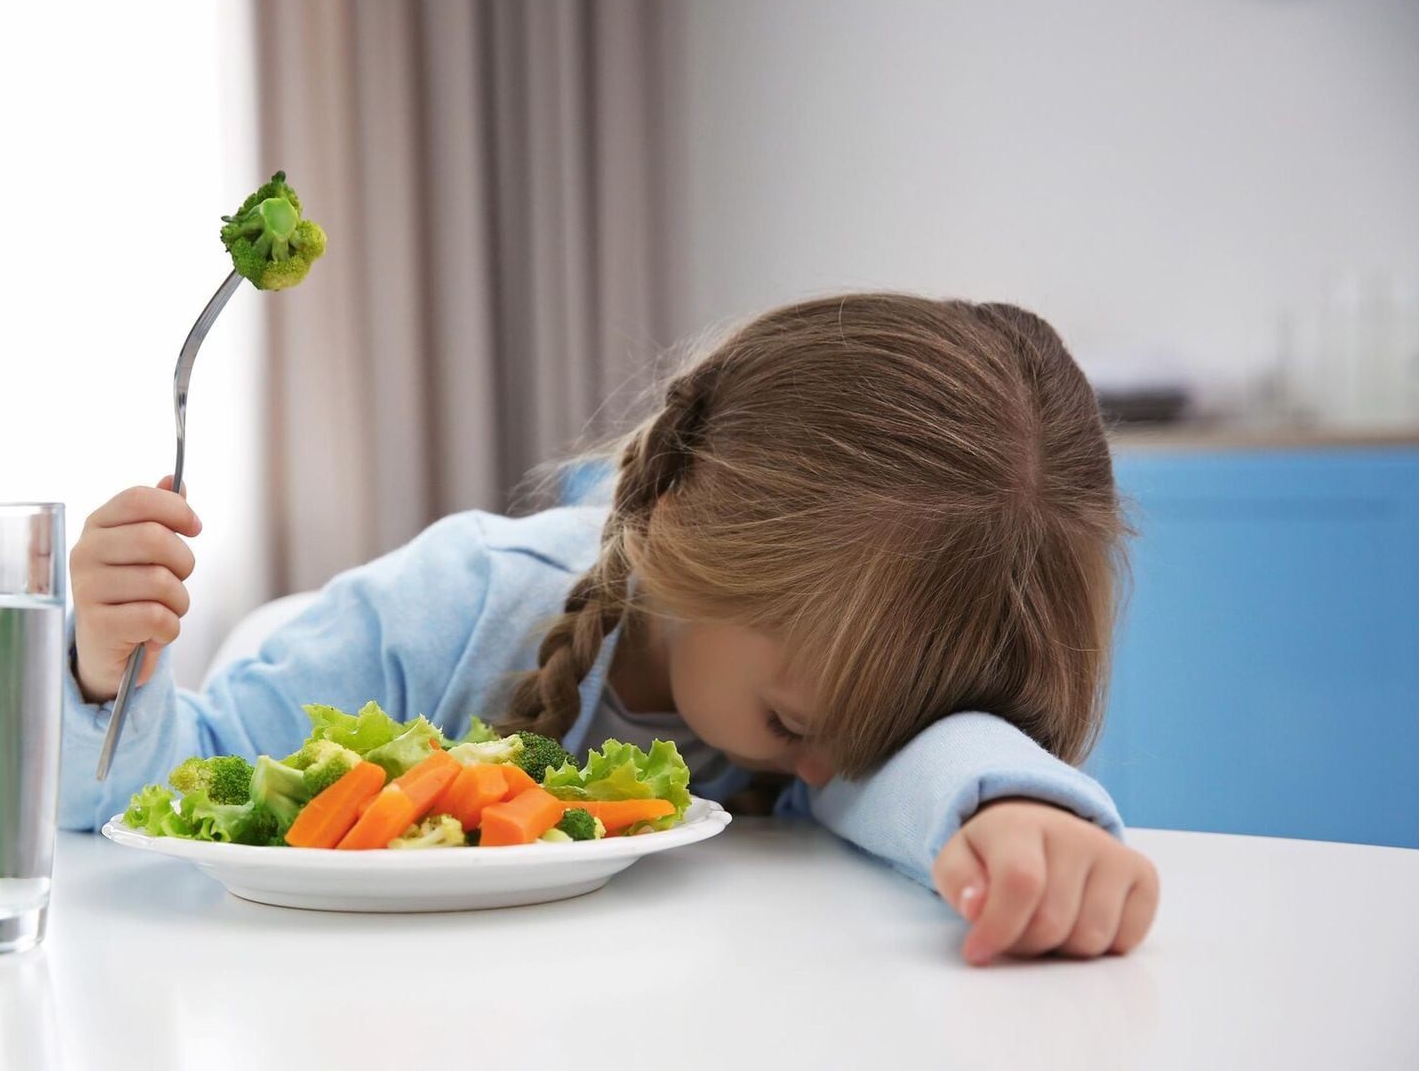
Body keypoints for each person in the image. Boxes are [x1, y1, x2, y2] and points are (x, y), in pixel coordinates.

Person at [60, 294, 1159, 965]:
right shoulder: (462, 606)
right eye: (793, 723)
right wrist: (101, 675)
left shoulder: (834, 724)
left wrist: (1008, 804)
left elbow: (897, 778)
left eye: (871, 745)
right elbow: (160, 801)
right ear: (687, 534)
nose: (827, 768)